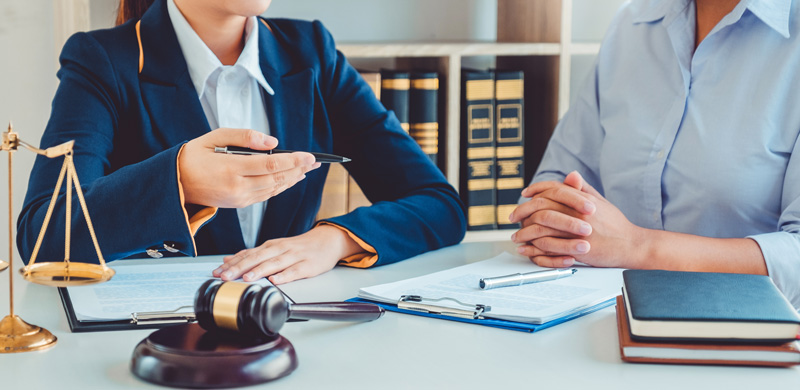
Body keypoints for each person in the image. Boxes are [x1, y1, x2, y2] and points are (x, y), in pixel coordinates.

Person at [17, 0, 466, 284]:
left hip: (288, 331)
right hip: (154, 339)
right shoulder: (102, 60)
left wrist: (332, 240)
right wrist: (177, 181)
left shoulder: (311, 51)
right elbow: (44, 234)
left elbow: (439, 204)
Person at [509, 0, 800, 308]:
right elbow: (552, 184)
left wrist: (637, 246)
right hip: (605, 318)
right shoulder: (631, 24)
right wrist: (553, 222)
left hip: (743, 330)